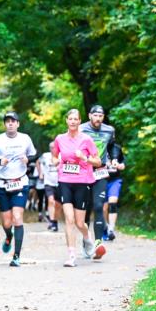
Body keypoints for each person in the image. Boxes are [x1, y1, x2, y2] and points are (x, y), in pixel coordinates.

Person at [0, 112, 36, 267]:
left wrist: (28, 159)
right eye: (7, 121)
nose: (10, 124)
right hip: (2, 184)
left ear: (18, 124)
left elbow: (34, 155)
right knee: (6, 222)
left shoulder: (25, 138)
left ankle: (16, 256)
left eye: (13, 121)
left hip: (20, 182)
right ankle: (8, 236)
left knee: (17, 218)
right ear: (5, 124)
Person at [53, 109, 104, 267]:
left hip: (82, 182)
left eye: (76, 119)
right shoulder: (60, 139)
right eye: (70, 119)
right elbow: (55, 155)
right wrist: (56, 161)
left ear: (80, 121)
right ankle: (71, 256)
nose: (73, 121)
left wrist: (84, 158)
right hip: (65, 180)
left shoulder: (86, 139)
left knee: (80, 222)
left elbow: (98, 162)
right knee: (69, 219)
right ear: (66, 121)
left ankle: (87, 238)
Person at [81, 104, 116, 255]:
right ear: (90, 116)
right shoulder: (81, 129)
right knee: (85, 210)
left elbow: (113, 146)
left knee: (98, 205)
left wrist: (114, 158)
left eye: (101, 116)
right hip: (83, 172)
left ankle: (98, 242)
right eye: (95, 115)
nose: (98, 119)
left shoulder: (109, 130)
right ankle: (86, 240)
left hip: (100, 171)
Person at [103, 142, 126, 240]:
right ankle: (106, 227)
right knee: (103, 208)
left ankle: (111, 229)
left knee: (113, 202)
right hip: (101, 180)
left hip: (114, 180)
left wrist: (121, 165)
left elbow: (123, 162)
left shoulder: (117, 148)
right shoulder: (98, 146)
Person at [38, 144, 60, 232]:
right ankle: (52, 221)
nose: (52, 149)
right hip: (48, 182)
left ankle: (55, 221)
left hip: (59, 182)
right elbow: (38, 162)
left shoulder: (61, 155)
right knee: (51, 201)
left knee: (58, 205)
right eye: (51, 147)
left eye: (54, 147)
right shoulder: (45, 155)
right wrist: (40, 173)